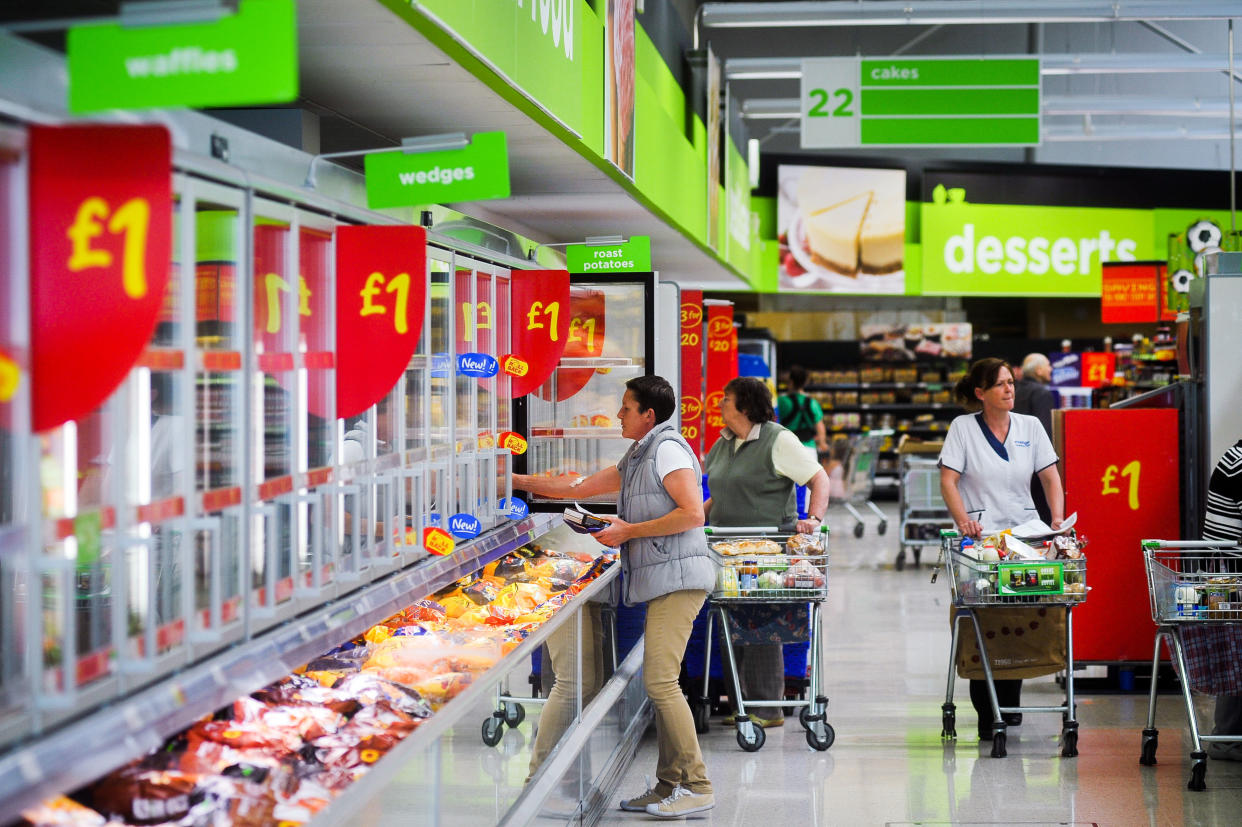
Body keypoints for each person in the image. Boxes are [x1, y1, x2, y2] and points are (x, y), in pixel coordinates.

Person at [513, 375, 716, 818]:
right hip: (665, 578)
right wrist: (512, 479)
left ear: (649, 414)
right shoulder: (640, 454)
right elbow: (578, 487)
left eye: (626, 407)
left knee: (660, 681)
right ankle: (668, 786)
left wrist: (628, 530)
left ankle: (697, 784)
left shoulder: (667, 449)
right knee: (660, 682)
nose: (618, 414)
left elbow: (692, 511)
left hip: (680, 580)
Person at [938, 358, 1067, 740]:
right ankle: (987, 708)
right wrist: (963, 520)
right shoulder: (962, 428)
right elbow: (949, 480)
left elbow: (1050, 477)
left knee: (1020, 619)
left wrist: (1056, 519)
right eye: (1000, 384)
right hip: (981, 543)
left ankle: (1008, 703)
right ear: (981, 393)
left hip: (1025, 537)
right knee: (984, 623)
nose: (1009, 389)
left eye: (1011, 382)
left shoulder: (1031, 427)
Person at [704, 376, 829, 728]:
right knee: (730, 623)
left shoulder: (778, 439)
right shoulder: (725, 442)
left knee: (758, 626)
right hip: (726, 552)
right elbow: (722, 492)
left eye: (726, 399)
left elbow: (820, 479)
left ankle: (768, 709)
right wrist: (694, 518)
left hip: (767, 553)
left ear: (745, 405)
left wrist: (814, 518)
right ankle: (742, 703)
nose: (720, 405)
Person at [1185, 439, 1242, 760]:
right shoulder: (1238, 463)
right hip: (1232, 581)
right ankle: (1227, 738)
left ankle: (1228, 736)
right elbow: (1225, 546)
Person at [1013, 353, 1056, 525]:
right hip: (1035, 466)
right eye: (1047, 365)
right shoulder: (1041, 394)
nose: (1050, 369)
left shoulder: (1014, 391)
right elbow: (1043, 433)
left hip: (1013, 460)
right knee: (1040, 516)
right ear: (1038, 370)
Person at [777, 366, 828, 454]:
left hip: (787, 447)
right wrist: (822, 443)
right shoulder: (813, 403)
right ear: (804, 383)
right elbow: (820, 426)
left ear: (791, 382)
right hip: (809, 449)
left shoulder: (781, 401)